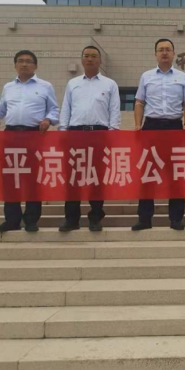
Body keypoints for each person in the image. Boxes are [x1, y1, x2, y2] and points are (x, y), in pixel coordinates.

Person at [0, 50, 59, 232]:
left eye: (28, 61)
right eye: (20, 61)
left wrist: (48, 120)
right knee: (10, 179)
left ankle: (31, 220)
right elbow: (0, 109)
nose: (24, 64)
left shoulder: (45, 86)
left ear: (35, 65)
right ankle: (12, 220)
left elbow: (54, 109)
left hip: (34, 135)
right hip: (11, 135)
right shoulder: (9, 87)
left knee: (33, 179)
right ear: (15, 65)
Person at [132, 38, 185, 231]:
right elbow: (139, 102)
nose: (164, 53)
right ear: (155, 54)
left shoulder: (182, 77)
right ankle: (144, 219)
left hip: (175, 126)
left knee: (176, 173)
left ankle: (176, 219)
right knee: (147, 172)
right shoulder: (146, 76)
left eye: (168, 49)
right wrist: (137, 125)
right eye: (161, 50)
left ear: (173, 53)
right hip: (152, 126)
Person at [58, 45, 121, 232]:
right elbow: (66, 109)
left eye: (94, 56)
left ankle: (95, 218)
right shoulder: (73, 83)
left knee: (97, 178)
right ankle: (71, 219)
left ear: (100, 61)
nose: (90, 59)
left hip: (99, 134)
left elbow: (114, 110)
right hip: (75, 134)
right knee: (73, 178)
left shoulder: (110, 84)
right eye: (86, 56)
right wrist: (63, 131)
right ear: (82, 60)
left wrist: (112, 133)